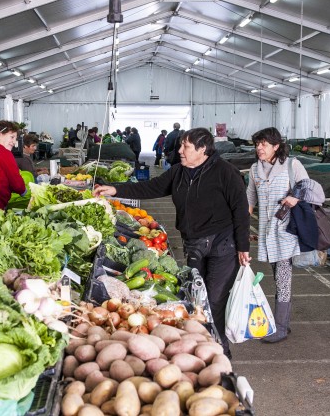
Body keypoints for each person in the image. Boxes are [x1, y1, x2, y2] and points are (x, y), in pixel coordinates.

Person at [93, 128, 250, 358]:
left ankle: (221, 351)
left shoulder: (226, 173)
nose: (180, 151)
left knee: (215, 299)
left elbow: (241, 211)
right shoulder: (179, 172)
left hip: (222, 244)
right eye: (181, 146)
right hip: (195, 244)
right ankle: (203, 342)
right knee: (197, 297)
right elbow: (150, 187)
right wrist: (115, 190)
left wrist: (243, 246)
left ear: (202, 149)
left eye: (185, 146)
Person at [246, 127, 309, 343]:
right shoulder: (254, 169)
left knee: (283, 278)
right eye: (257, 144)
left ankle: (280, 327)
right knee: (277, 276)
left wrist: (295, 198)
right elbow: (250, 199)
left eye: (264, 144)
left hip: (286, 231)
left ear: (276, 146)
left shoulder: (292, 165)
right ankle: (281, 322)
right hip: (266, 231)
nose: (259, 148)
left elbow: (306, 186)